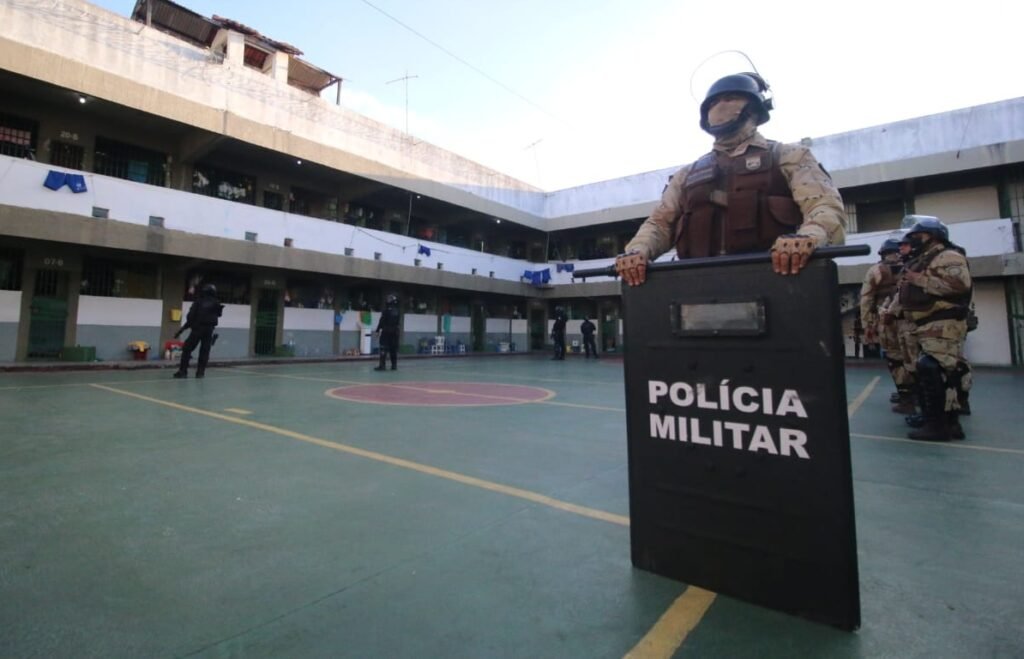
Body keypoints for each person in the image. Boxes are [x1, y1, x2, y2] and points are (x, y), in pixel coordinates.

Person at [614, 72, 846, 285]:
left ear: (754, 109)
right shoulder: (686, 175)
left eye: (730, 98)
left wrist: (808, 237)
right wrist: (636, 251)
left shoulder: (789, 156)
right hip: (697, 284)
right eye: (713, 103)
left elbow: (824, 207)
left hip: (778, 279)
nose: (720, 107)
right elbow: (659, 224)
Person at [896, 216, 973, 441]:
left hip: (943, 321)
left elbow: (959, 285)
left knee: (935, 368)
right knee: (935, 371)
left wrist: (919, 280)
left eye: (917, 236)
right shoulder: (926, 259)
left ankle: (939, 426)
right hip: (928, 324)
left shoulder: (948, 256)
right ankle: (944, 422)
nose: (913, 241)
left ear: (931, 236)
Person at [861, 237, 914, 405]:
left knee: (895, 358)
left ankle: (905, 396)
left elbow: (866, 299)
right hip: (912, 321)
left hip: (887, 322)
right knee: (913, 358)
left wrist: (868, 325)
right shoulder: (912, 267)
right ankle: (917, 395)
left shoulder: (875, 270)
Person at [172, 283, 223, 379]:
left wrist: (185, 327)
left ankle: (183, 372)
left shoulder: (199, 302)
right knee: (205, 351)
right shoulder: (216, 303)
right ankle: (200, 373)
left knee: (187, 349)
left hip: (198, 329)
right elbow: (218, 315)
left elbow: (190, 317)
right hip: (209, 330)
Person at [375, 294, 400, 371]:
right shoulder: (397, 311)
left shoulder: (386, 311)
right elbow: (398, 322)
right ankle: (394, 365)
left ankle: (382, 366)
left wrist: (377, 330)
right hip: (395, 332)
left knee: (383, 348)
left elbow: (381, 321)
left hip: (386, 331)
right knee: (393, 349)